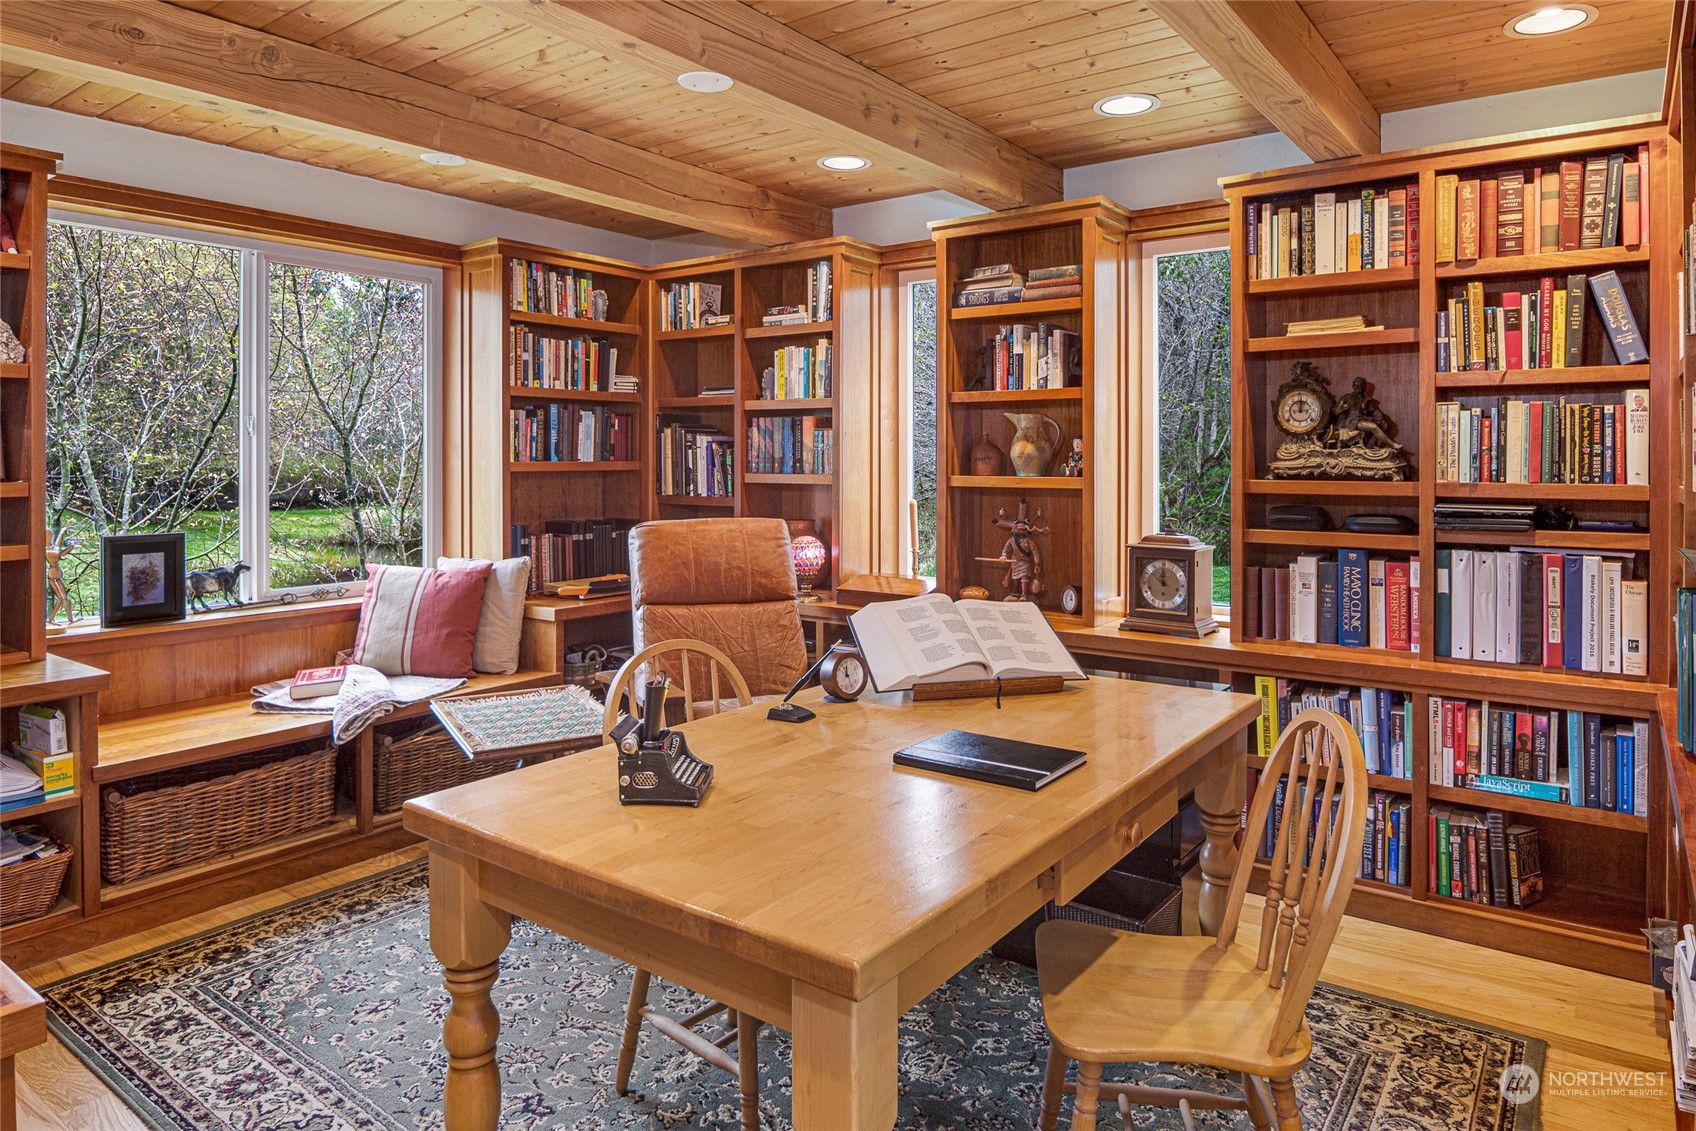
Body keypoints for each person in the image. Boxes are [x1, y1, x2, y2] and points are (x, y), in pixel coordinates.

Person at [1332, 377, 1402, 451]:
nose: (1357, 388)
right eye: (1356, 385)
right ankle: (1392, 444)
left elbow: (1374, 410)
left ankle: (1371, 444)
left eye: (1360, 386)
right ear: (1353, 385)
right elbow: (1334, 412)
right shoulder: (1346, 397)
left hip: (1361, 419)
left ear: (1363, 387)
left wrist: (1379, 416)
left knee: (1381, 423)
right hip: (1351, 421)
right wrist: (1341, 408)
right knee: (1373, 426)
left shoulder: (1366, 399)